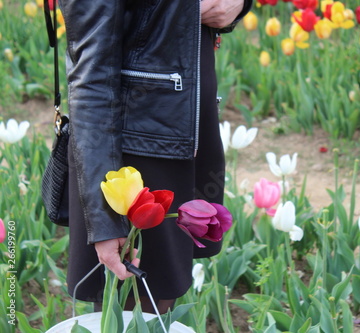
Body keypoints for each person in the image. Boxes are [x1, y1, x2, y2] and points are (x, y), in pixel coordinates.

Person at [59, 0, 253, 314]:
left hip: (182, 121)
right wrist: (105, 220)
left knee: (160, 291)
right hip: (135, 146)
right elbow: (91, 80)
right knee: (132, 302)